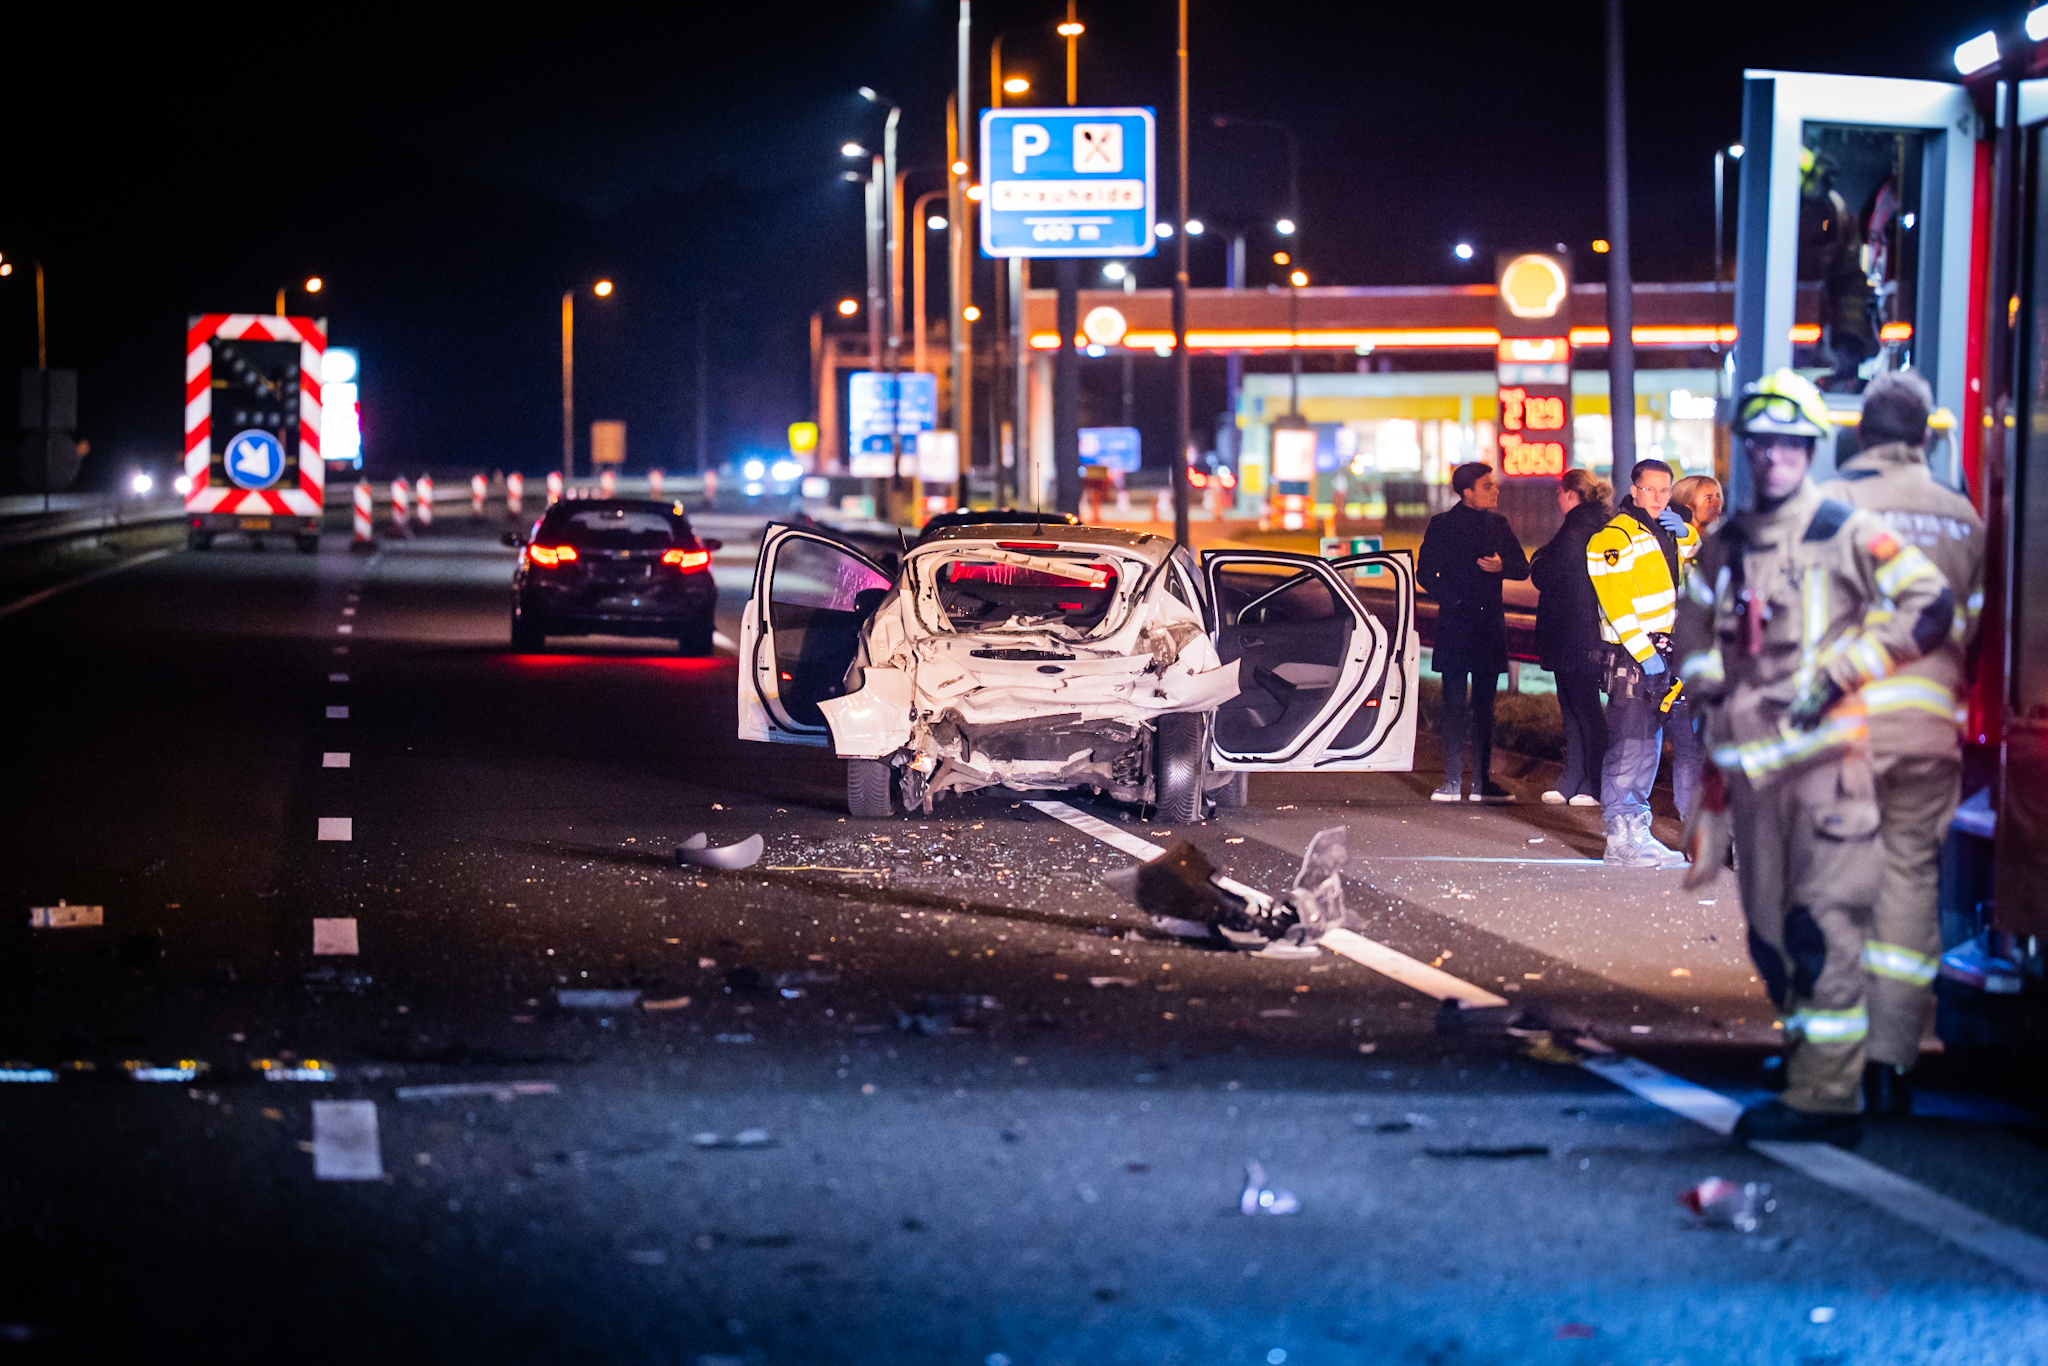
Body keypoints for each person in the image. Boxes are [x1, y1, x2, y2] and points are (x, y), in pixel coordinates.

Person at [1675, 368, 1953, 1145]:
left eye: (1790, 445)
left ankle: (1826, 1099)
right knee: (1769, 936)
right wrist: (1709, 689)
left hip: (1828, 772)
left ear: (1811, 450)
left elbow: (1928, 602)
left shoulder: (1845, 528)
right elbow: (1691, 625)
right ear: (1746, 450)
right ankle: (1809, 1062)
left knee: (1820, 928)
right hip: (1753, 773)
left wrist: (1848, 666)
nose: (1774, 458)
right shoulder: (1727, 543)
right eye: (1762, 444)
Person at [1819, 370, 1985, 1116]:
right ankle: (1892, 1062)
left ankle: (1833, 1060)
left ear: (1861, 434)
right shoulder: (1962, 517)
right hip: (1928, 730)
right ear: (1923, 438)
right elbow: (1972, 627)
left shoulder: (1835, 505)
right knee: (1909, 885)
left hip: (1845, 730)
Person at [1587, 458, 1703, 867]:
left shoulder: (1664, 532)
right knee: (1629, 747)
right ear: (1634, 490)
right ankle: (1620, 839)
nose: (1657, 497)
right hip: (1633, 656)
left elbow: (1697, 558)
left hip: (1664, 656)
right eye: (1649, 489)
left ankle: (1638, 830)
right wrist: (1645, 654)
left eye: (1664, 490)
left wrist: (1686, 532)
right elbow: (1616, 606)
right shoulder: (1613, 538)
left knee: (1648, 747)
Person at [1418, 462, 1530, 803]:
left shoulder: (1499, 525)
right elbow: (1425, 573)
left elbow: (1522, 567)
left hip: (1488, 627)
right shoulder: (1442, 525)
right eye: (1487, 486)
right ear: (1467, 492)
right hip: (1455, 624)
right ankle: (1451, 780)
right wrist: (1451, 598)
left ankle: (1482, 782)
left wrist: (1502, 566)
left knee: (1485, 707)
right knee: (1453, 704)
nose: (1495, 491)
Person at [1530, 468, 1612, 807]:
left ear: (1570, 494)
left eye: (1559, 493)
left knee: (1581, 708)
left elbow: (1546, 572)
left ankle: (1591, 782)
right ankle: (1576, 779)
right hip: (1581, 633)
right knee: (1578, 707)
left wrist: (1538, 560)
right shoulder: (1590, 525)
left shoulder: (1576, 530)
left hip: (1575, 634)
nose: (1557, 499)